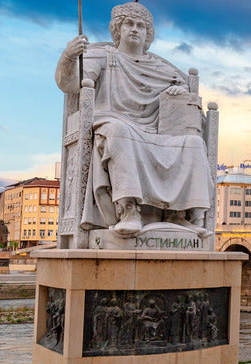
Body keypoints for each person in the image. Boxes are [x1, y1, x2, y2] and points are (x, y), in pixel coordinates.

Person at [56, 1, 210, 238]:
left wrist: (180, 93)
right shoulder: (102, 57)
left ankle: (179, 216)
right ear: (117, 29)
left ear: (149, 34)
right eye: (129, 24)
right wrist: (68, 56)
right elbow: (70, 85)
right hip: (114, 123)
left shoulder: (162, 68)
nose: (135, 29)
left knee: (194, 143)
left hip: (155, 132)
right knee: (119, 131)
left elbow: (187, 100)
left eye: (141, 26)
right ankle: (128, 210)